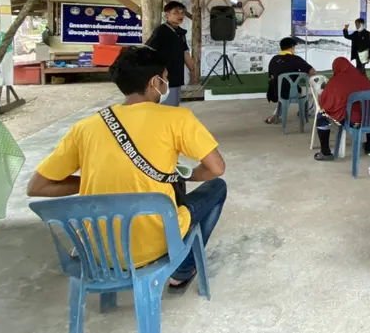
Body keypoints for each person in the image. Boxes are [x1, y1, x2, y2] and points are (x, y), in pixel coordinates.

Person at [26, 46, 226, 293]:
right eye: (165, 78)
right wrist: (189, 174)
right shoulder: (177, 119)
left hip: (96, 249)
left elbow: (37, 186)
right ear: (154, 82)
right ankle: (182, 270)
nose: (166, 84)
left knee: (173, 186)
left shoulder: (85, 128)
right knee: (216, 188)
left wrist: (92, 182)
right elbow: (216, 168)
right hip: (155, 243)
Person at [313, 57, 370, 161]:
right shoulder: (362, 77)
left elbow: (326, 101)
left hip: (353, 122)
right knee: (369, 108)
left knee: (321, 115)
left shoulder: (335, 81)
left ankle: (325, 152)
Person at [146, 1, 195, 106]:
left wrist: (192, 70)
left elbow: (185, 52)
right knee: (167, 106)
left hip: (177, 75)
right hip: (164, 77)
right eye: (176, 12)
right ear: (167, 15)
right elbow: (149, 51)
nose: (180, 15)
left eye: (182, 12)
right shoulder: (161, 31)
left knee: (175, 104)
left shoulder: (180, 32)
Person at [265, 37, 316, 124]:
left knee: (286, 89)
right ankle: (307, 112)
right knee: (313, 92)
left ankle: (275, 116)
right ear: (292, 47)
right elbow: (312, 71)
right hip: (291, 92)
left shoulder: (274, 59)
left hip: (274, 92)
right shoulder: (296, 59)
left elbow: (272, 76)